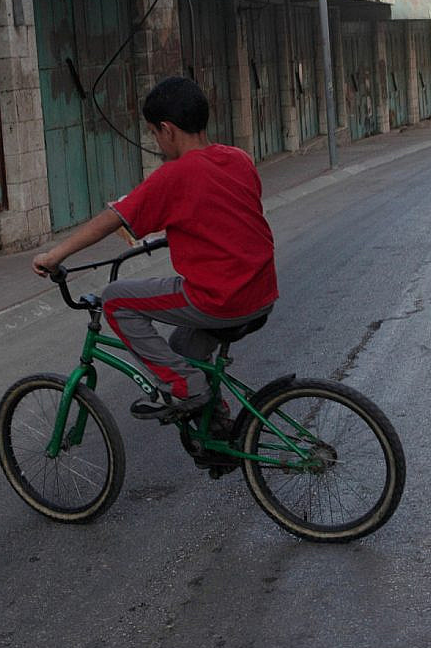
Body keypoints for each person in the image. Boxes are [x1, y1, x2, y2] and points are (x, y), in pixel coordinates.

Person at [32, 77, 278, 420]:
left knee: (116, 299)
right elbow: (223, 216)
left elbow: (112, 219)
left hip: (221, 298)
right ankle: (215, 423)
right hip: (261, 293)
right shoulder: (238, 158)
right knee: (181, 348)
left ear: (167, 129)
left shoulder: (175, 175)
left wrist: (54, 256)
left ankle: (187, 387)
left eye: (153, 134)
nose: (156, 142)